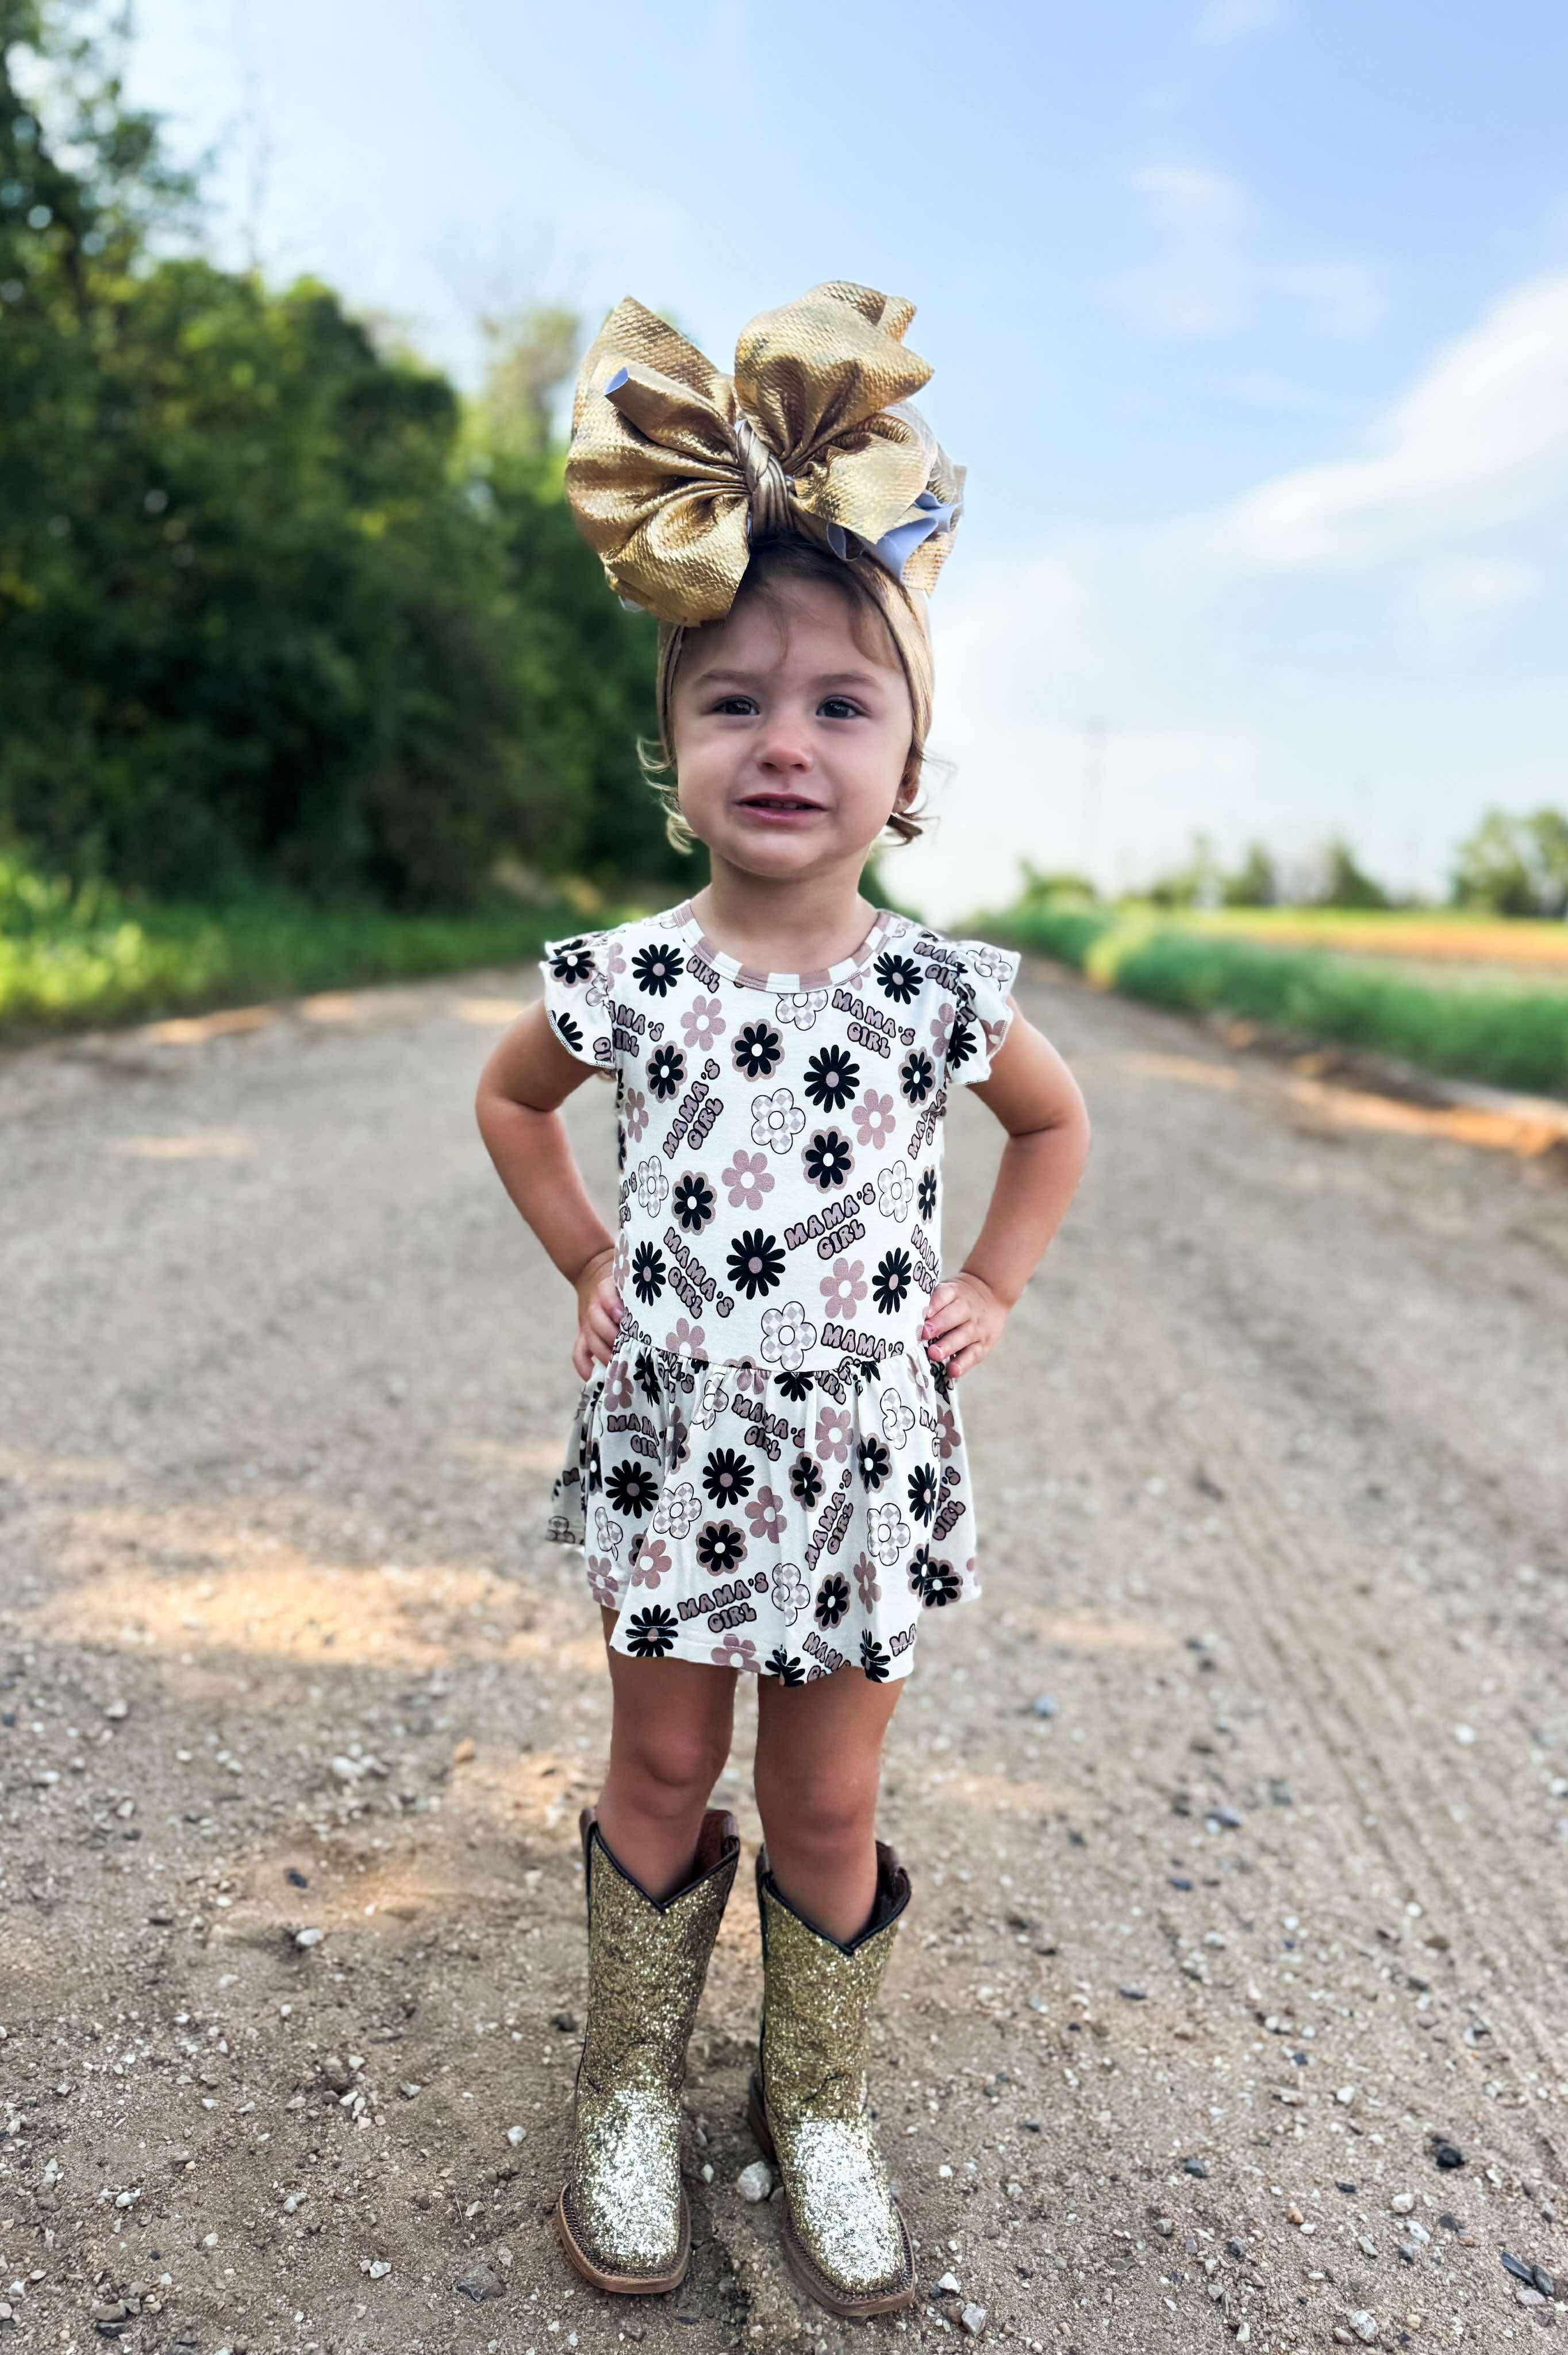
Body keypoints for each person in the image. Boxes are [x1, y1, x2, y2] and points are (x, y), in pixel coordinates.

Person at [474, 281, 1090, 2320]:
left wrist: (990, 1282)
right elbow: (511, 1099)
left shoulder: (937, 989)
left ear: (911, 761)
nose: (786, 741)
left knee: (830, 1795)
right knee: (661, 1770)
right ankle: (626, 2085)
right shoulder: (629, 975)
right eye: (733, 698)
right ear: (672, 744)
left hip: (857, 1461)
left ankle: (815, 2103)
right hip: (680, 1446)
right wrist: (588, 1256)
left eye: (842, 704)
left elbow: (1055, 1130)